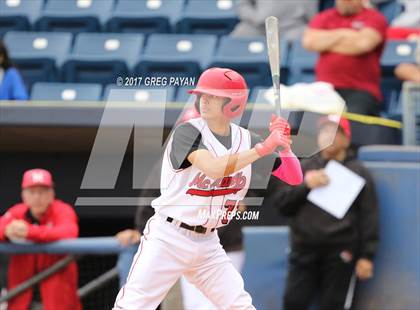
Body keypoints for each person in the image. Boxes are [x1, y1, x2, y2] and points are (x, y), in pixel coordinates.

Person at [113, 67, 303, 309]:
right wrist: (264, 149)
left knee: (240, 306)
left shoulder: (246, 140)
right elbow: (213, 168)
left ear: (233, 103)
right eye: (203, 95)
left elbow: (294, 177)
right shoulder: (187, 132)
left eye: (213, 96)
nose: (205, 101)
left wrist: (284, 147)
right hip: (169, 236)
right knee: (133, 305)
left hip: (208, 242)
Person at [267, 115, 379, 310]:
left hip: (340, 254)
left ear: (347, 139)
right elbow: (281, 204)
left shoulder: (359, 172)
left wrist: (366, 256)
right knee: (293, 302)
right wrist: (306, 186)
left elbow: (369, 216)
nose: (329, 136)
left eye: (335, 132)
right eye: (325, 131)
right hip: (303, 250)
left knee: (334, 305)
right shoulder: (304, 167)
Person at [0, 169, 81, 310]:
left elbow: (69, 232)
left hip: (57, 298)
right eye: (32, 192)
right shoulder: (17, 212)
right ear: (23, 195)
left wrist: (28, 231)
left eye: (42, 191)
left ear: (51, 194)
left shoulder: (62, 210)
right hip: (21, 298)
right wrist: (7, 231)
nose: (37, 197)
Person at [303, 0, 388, 116]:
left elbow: (363, 44)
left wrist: (327, 44)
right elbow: (309, 42)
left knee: (352, 123)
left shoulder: (374, 17)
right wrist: (344, 34)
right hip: (325, 89)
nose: (345, 2)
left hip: (361, 90)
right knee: (307, 120)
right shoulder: (324, 16)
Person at [231, 0, 317, 41]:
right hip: (259, 27)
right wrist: (254, 18)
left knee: (304, 37)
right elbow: (243, 4)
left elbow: (313, 18)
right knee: (240, 34)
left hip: (291, 28)